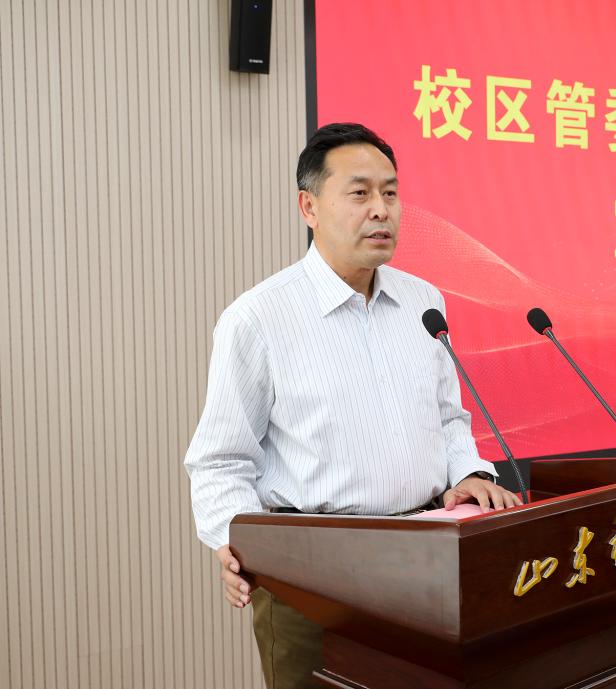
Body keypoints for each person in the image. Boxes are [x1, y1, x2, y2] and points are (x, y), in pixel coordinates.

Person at [184, 123, 522, 689]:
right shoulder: (259, 318)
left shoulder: (423, 302)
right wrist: (237, 545)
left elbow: (447, 417)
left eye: (390, 192)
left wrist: (468, 470)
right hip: (312, 576)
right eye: (360, 193)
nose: (381, 210)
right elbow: (220, 461)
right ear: (309, 207)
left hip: (428, 562)